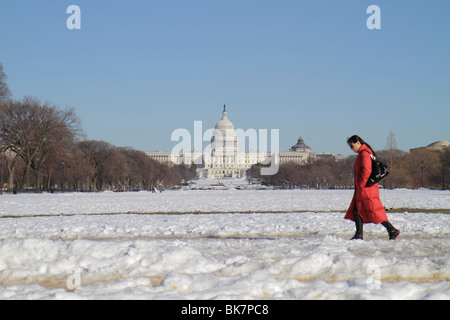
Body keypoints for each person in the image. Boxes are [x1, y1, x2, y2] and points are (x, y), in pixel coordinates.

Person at [345, 135, 401, 240]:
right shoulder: (366, 153)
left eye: (352, 146)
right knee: (359, 211)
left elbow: (367, 170)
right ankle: (359, 234)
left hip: (366, 189)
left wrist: (361, 184)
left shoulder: (364, 154)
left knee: (373, 211)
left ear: (358, 142)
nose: (352, 149)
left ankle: (392, 230)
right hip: (366, 188)